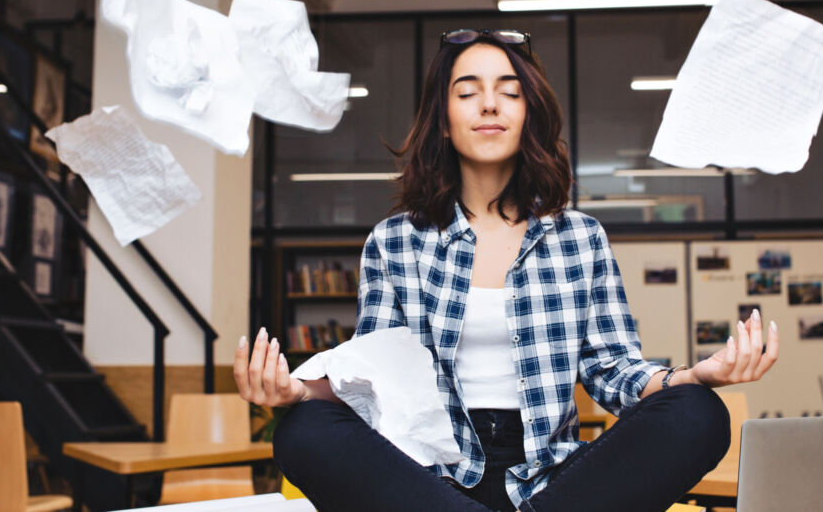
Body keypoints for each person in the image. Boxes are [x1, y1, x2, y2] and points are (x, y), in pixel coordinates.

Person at [233, 28, 780, 512]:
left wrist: (693, 376)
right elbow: (377, 379)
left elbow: (614, 370)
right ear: (443, 123)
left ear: (528, 115)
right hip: (432, 481)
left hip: (555, 484)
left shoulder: (579, 237)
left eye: (509, 93)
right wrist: (294, 394)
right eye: (468, 92)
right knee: (302, 431)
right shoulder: (395, 241)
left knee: (698, 414)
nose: (489, 105)